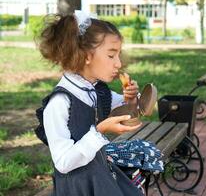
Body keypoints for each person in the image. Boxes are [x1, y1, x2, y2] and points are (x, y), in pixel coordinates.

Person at [36, 10, 144, 196]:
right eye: (111, 56)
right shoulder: (60, 102)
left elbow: (126, 109)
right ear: (86, 55)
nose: (118, 64)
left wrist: (131, 99)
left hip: (101, 176)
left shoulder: (96, 90)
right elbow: (63, 163)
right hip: (79, 188)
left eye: (118, 55)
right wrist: (100, 131)